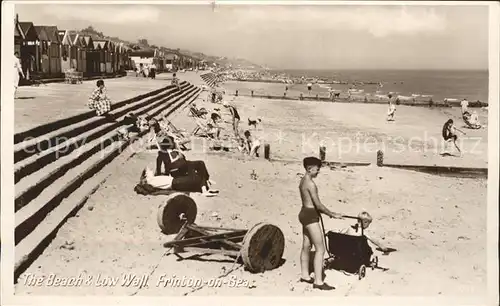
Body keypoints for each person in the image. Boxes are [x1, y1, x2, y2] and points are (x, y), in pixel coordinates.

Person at [299, 157, 344, 291]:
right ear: (309, 169)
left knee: (306, 246)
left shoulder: (302, 181)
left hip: (303, 213)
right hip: (311, 216)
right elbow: (318, 205)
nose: (318, 172)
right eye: (317, 169)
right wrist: (333, 214)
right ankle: (318, 282)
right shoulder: (311, 184)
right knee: (320, 249)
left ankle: (305, 275)